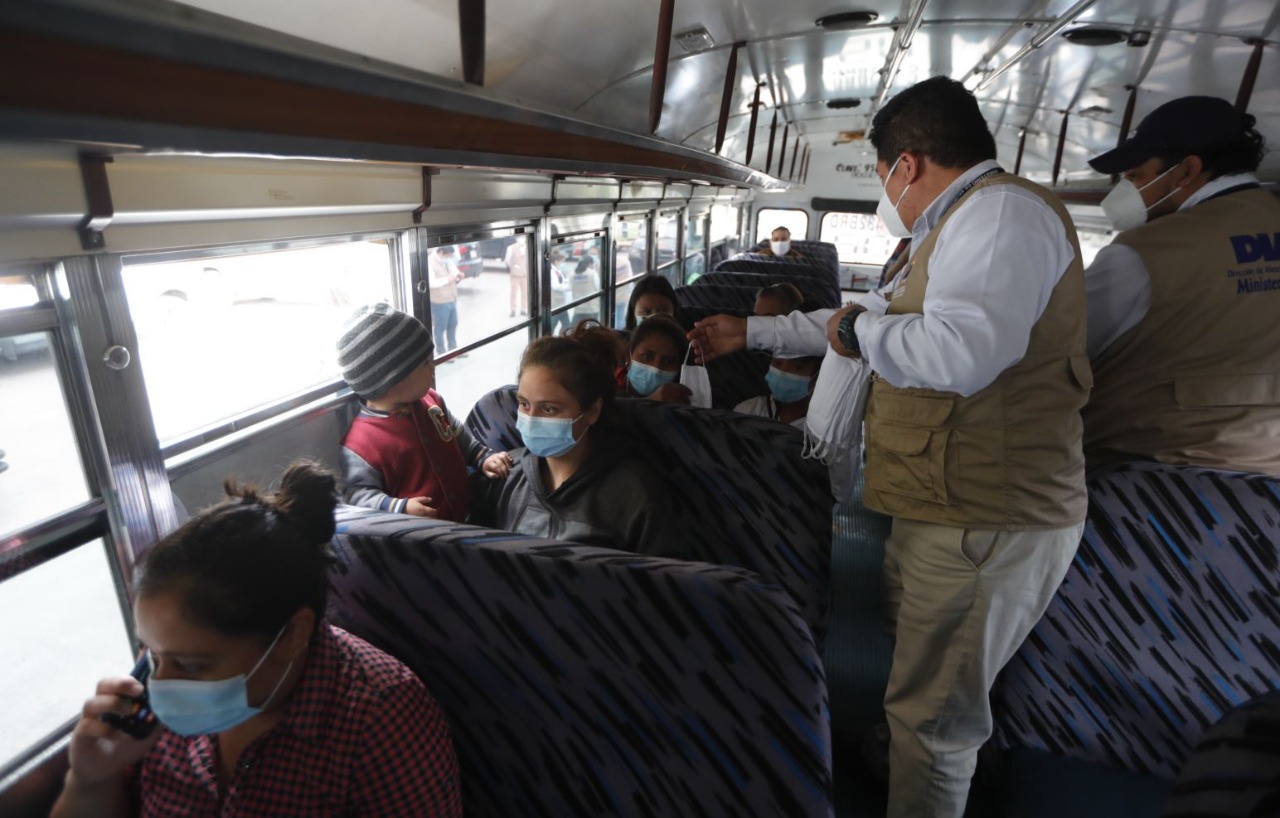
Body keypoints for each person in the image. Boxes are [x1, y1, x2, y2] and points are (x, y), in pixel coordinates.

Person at [689, 76, 1090, 818]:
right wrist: (756, 332)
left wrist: (857, 334)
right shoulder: (950, 228)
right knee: (918, 693)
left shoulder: (999, 216)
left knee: (934, 724)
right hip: (946, 505)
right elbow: (864, 313)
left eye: (879, 174)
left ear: (905, 164)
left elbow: (961, 353)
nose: (884, 190)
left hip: (983, 512)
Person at [51, 462, 462, 817]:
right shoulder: (147, 702)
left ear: (292, 635)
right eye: (152, 655)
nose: (159, 685)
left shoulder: (381, 718)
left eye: (193, 666)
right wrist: (89, 780)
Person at [1081, 95, 1279, 475]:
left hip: (1152, 481)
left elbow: (1057, 352)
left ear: (1187, 171)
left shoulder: (1143, 253)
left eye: (1135, 175)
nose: (1125, 189)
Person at [472, 322, 677, 554]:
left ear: (592, 411)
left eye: (549, 409)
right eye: (524, 404)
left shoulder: (636, 496)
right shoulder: (504, 475)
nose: (531, 419)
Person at [337, 303, 511, 522]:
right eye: (425, 363)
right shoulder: (360, 445)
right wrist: (399, 507)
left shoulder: (431, 400)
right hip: (425, 540)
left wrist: (482, 456)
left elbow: (456, 435)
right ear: (392, 382)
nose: (433, 366)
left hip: (465, 514)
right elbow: (357, 495)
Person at [733, 355, 820, 429]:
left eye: (796, 367)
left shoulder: (824, 429)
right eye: (777, 363)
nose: (782, 373)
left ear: (817, 377)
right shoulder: (747, 412)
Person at [623, 315, 692, 404]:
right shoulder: (607, 386)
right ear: (628, 357)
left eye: (668, 362)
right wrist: (651, 401)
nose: (656, 368)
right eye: (647, 356)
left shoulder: (685, 402)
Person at [427, 245, 463, 353]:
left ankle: (453, 349)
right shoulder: (430, 262)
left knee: (453, 324)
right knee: (440, 327)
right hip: (440, 301)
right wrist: (448, 279)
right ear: (441, 252)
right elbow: (431, 283)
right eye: (449, 255)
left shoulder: (446, 260)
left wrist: (458, 274)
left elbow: (453, 270)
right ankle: (441, 352)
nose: (450, 258)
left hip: (452, 298)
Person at [570, 253, 601, 323]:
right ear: (590, 264)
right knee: (593, 330)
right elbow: (598, 288)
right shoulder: (593, 273)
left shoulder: (572, 274)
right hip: (592, 308)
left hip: (578, 308)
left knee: (576, 329)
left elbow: (570, 287)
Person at [548, 250, 573, 334]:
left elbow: (561, 281)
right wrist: (568, 287)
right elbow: (555, 286)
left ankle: (559, 337)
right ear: (556, 261)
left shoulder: (557, 270)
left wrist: (567, 281)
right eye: (562, 261)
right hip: (556, 302)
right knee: (563, 324)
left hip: (560, 302)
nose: (563, 263)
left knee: (565, 325)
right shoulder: (551, 271)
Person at [505, 239, 529, 318]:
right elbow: (507, 260)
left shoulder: (528, 247)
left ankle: (523, 309)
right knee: (513, 292)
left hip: (525, 274)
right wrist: (513, 267)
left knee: (525, 292)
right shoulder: (511, 248)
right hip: (515, 274)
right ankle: (513, 309)